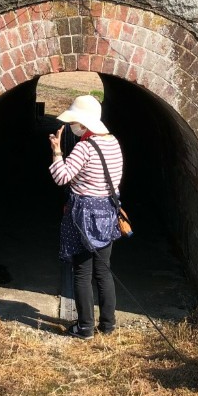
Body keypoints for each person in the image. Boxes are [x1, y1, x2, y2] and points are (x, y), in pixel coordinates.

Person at [48, 94, 124, 339]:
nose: (73, 126)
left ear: (84, 123)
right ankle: (108, 324)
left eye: (75, 122)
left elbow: (62, 177)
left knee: (82, 272)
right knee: (104, 271)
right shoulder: (113, 142)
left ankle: (85, 327)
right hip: (107, 213)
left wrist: (57, 151)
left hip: (83, 215)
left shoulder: (83, 147)